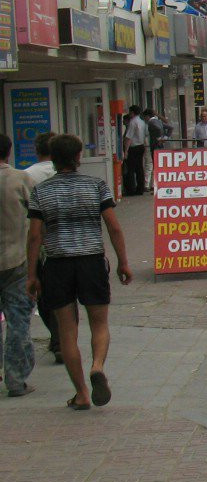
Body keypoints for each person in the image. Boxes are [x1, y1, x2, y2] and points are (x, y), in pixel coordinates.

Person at [26, 134, 132, 411]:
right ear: (78, 157)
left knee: (67, 331)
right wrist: (123, 261)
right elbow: (113, 226)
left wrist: (32, 275)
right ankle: (97, 366)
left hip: (58, 264)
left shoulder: (41, 191)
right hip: (91, 261)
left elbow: (35, 236)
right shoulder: (96, 185)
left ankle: (82, 393)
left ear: (52, 158)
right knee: (99, 323)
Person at [21, 132, 62, 364]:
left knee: (43, 294)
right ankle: (63, 339)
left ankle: (57, 338)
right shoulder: (66, 174)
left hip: (39, 243)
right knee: (65, 294)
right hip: (65, 243)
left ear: (37, 151)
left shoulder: (27, 175)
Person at [2, 134, 35, 397]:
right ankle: (15, 379)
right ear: (9, 152)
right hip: (16, 259)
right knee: (17, 321)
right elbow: (38, 218)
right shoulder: (20, 179)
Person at [122, 108, 148, 196]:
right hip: (141, 146)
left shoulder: (132, 122)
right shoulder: (142, 122)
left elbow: (129, 137)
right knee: (139, 168)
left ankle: (131, 190)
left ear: (132, 113)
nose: (129, 114)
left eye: (129, 112)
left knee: (131, 169)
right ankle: (140, 188)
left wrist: (126, 151)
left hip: (133, 148)